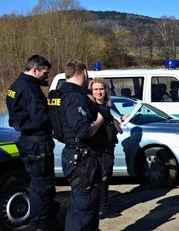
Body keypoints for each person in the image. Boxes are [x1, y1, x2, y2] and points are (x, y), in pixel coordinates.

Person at [5, 55, 60, 230]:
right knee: (42, 185)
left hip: (26, 140)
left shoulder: (15, 86)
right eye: (45, 72)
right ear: (35, 70)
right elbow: (41, 117)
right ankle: (41, 224)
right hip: (38, 143)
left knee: (36, 183)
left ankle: (44, 218)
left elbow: (14, 117)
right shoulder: (30, 88)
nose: (46, 76)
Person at [59, 59, 105, 230]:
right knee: (82, 209)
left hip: (76, 156)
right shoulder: (74, 97)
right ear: (85, 74)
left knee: (85, 204)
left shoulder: (61, 93)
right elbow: (84, 131)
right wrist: (99, 120)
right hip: (82, 159)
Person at [89, 78, 123, 219]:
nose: (99, 92)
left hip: (108, 148)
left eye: (101, 89)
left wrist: (118, 123)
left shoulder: (106, 107)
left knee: (106, 177)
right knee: (101, 178)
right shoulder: (92, 108)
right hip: (99, 149)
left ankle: (104, 206)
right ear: (91, 91)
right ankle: (102, 209)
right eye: (95, 89)